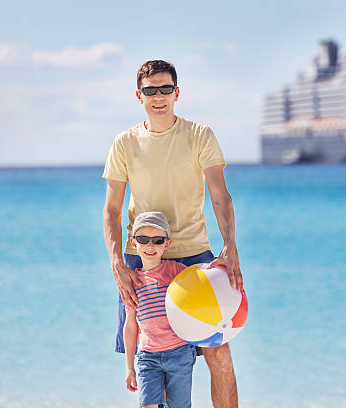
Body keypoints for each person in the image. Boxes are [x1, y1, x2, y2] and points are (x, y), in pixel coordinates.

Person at [103, 60, 242, 408]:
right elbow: (112, 210)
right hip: (146, 258)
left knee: (219, 355)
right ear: (139, 96)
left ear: (177, 93)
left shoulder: (200, 135)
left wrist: (230, 246)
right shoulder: (124, 143)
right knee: (155, 361)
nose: (159, 96)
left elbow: (220, 196)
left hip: (195, 258)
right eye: (150, 90)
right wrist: (117, 262)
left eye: (166, 89)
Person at [123, 211, 196, 408]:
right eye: (143, 239)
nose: (150, 245)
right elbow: (130, 326)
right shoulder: (131, 282)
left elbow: (202, 288)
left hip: (179, 352)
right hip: (148, 356)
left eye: (157, 240)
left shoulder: (177, 272)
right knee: (148, 405)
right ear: (133, 242)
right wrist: (129, 367)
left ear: (167, 244)